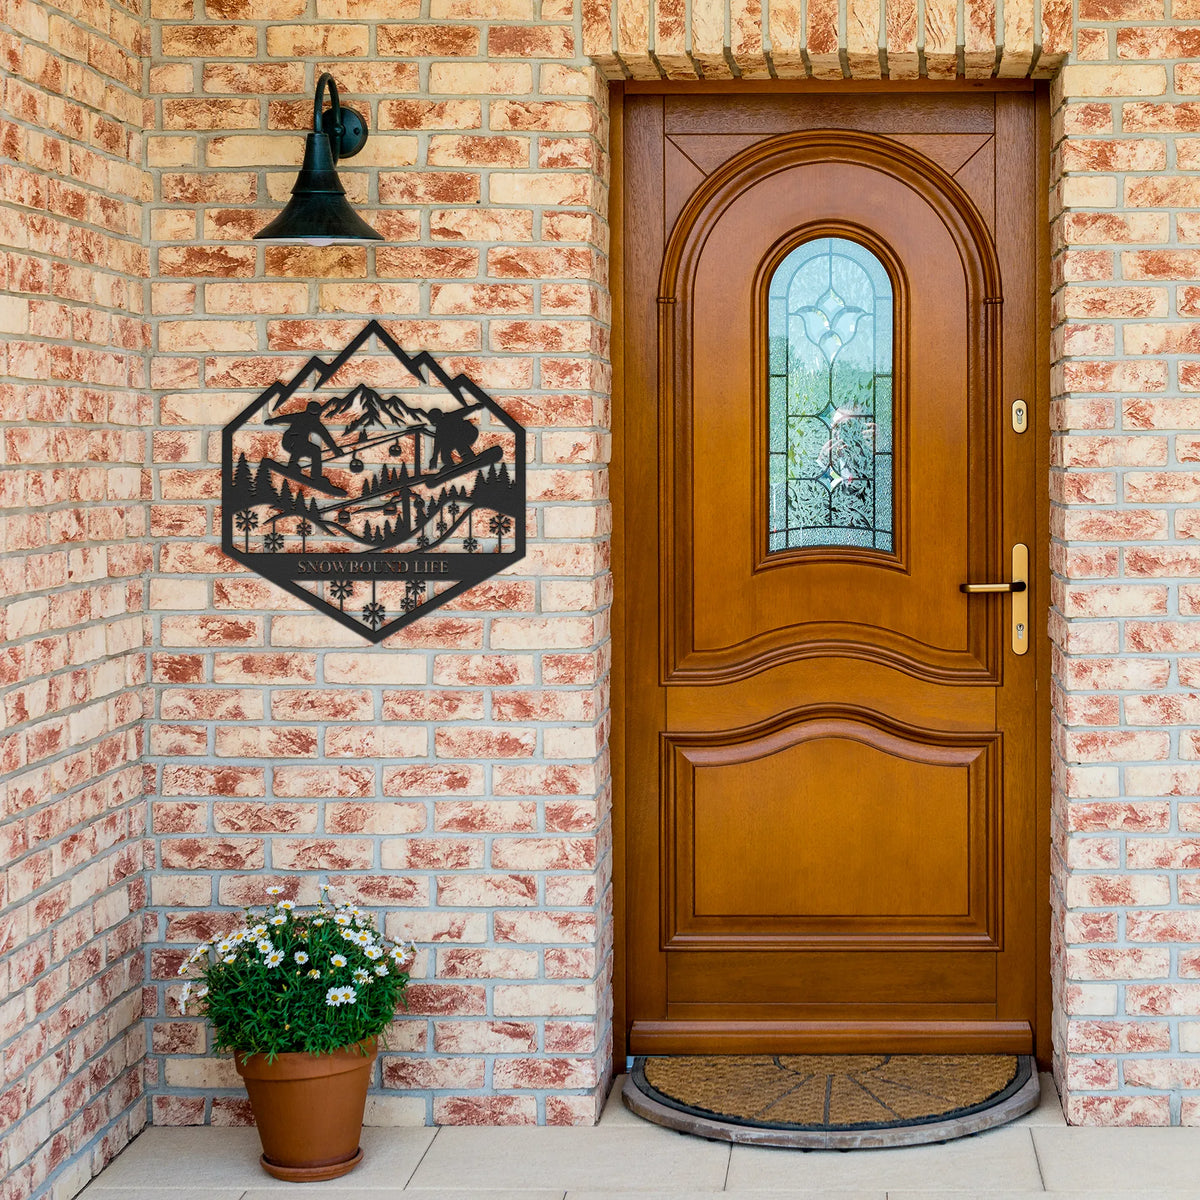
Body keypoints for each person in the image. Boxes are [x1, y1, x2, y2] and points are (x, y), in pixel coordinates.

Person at [266, 401, 341, 481]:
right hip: (290, 442)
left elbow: (326, 437)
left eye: (316, 414)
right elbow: (285, 418)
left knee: (315, 450)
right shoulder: (299, 417)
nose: (313, 417)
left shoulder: (315, 423)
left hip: (302, 445)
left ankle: (316, 476)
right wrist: (272, 421)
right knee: (300, 440)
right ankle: (292, 465)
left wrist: (335, 449)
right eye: (312, 414)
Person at [427, 407, 479, 472]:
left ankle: (468, 456)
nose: (437, 424)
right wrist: (435, 457)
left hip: (469, 433)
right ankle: (449, 464)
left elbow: (464, 411)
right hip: (456, 438)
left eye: (436, 422)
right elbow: (438, 443)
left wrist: (475, 407)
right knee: (445, 449)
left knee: (457, 440)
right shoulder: (440, 428)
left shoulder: (451, 416)